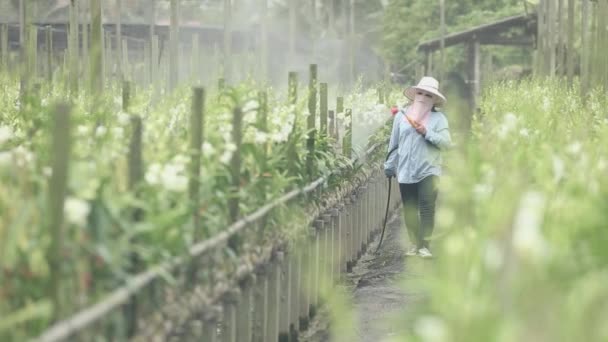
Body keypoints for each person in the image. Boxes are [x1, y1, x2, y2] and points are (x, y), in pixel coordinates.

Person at [384, 76, 452, 258]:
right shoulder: (401, 116)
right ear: (414, 95)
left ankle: (425, 245)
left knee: (427, 207)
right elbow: (394, 143)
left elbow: (446, 143)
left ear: (434, 99)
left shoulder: (439, 119)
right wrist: (389, 165)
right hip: (406, 169)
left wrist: (427, 132)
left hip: (429, 169)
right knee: (410, 209)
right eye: (420, 93)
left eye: (428, 95)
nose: (422, 97)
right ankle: (415, 243)